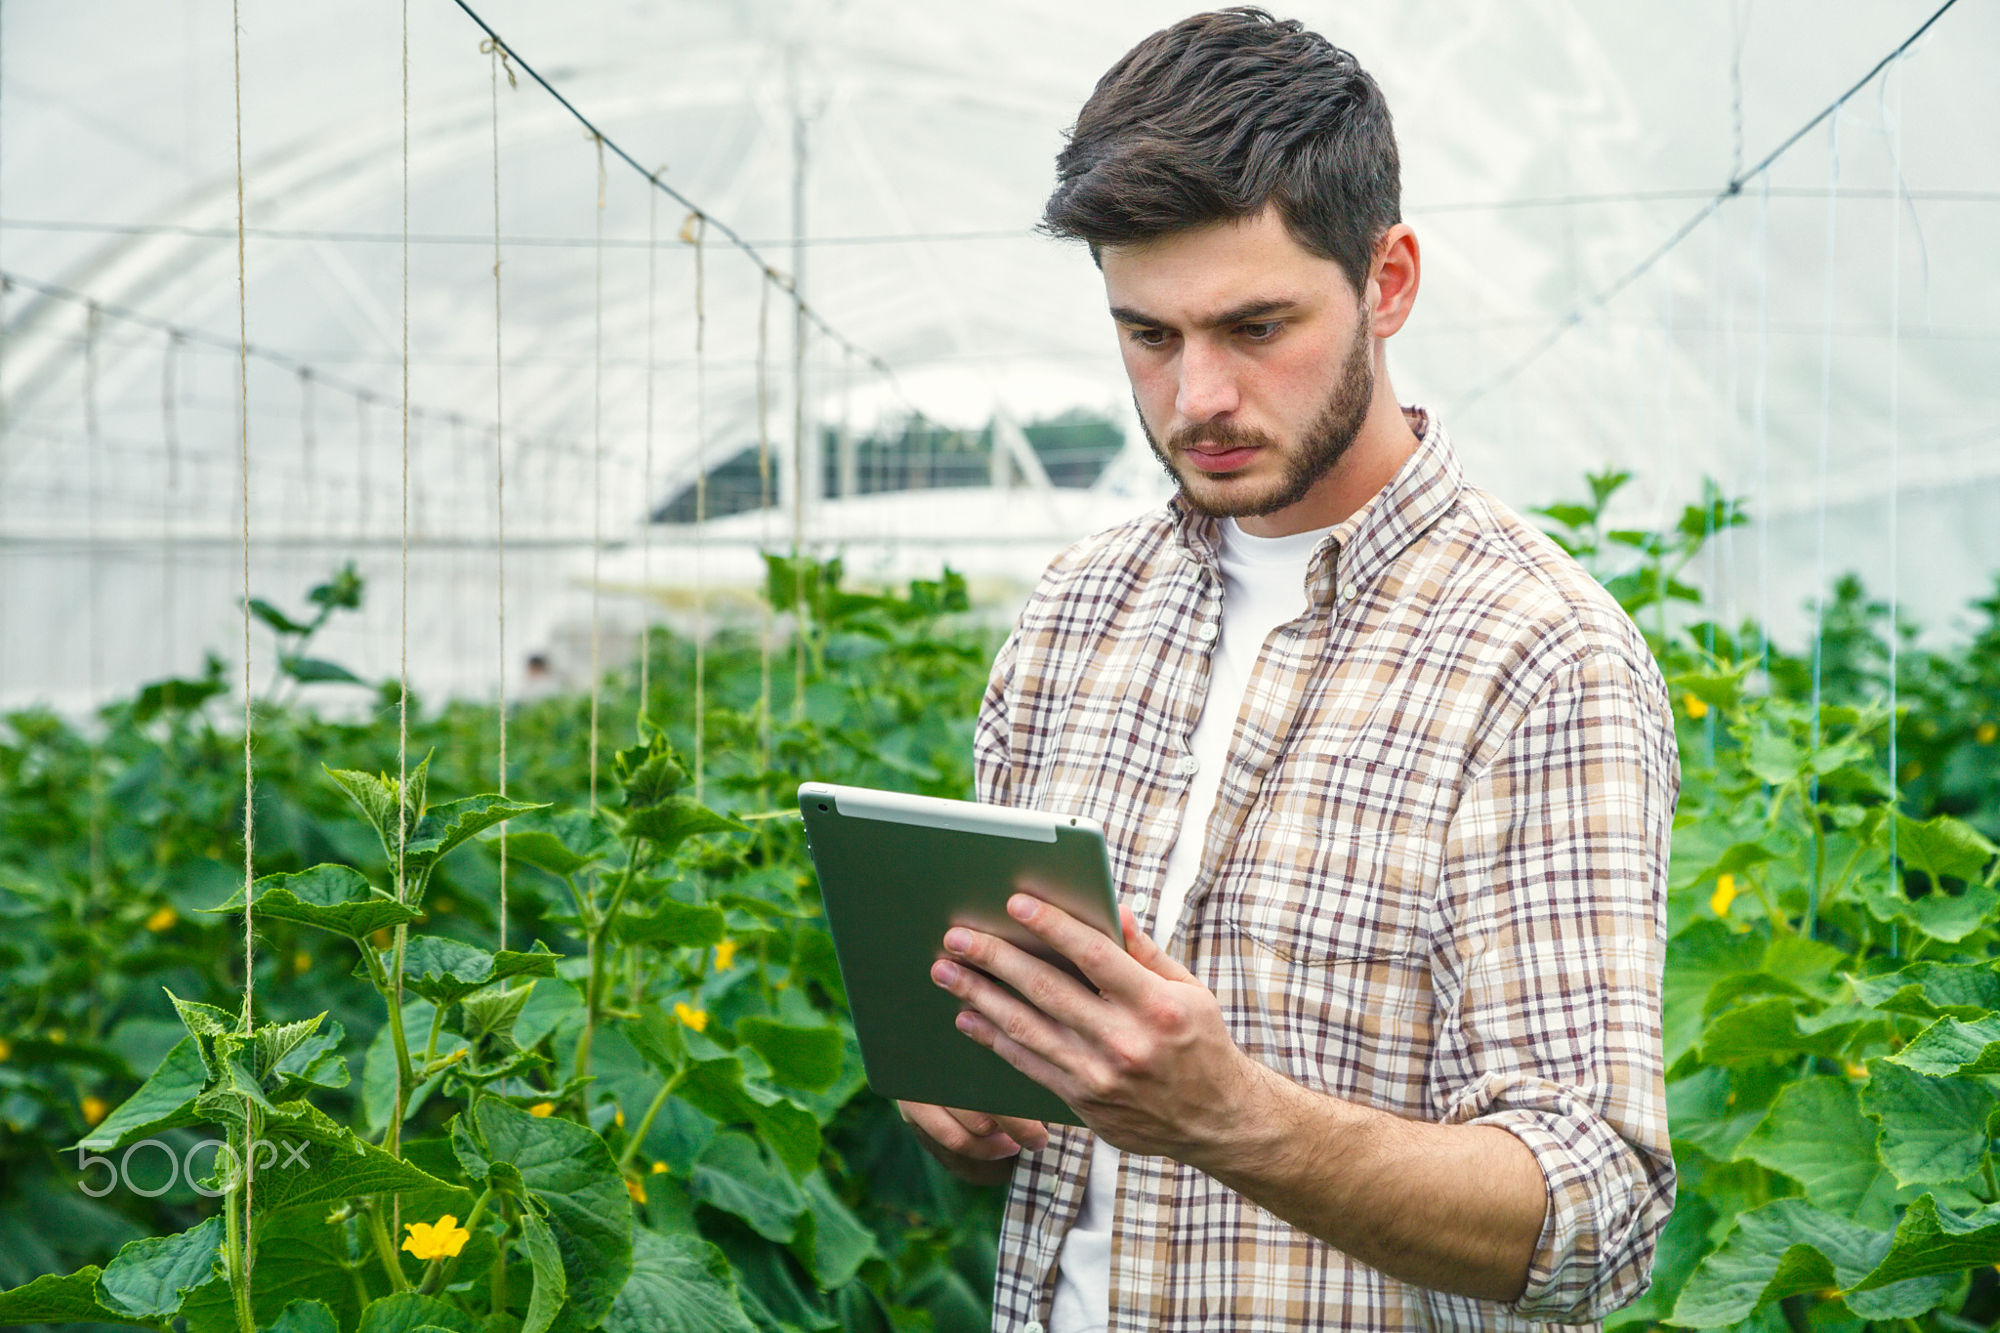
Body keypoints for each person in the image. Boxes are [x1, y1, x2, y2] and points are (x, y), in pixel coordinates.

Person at [894, 8, 1679, 1331]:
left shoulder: (1539, 653)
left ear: (1388, 280)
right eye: (1147, 334)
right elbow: (1013, 1078)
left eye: (1256, 325)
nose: (1195, 394)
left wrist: (1234, 1116)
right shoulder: (1072, 619)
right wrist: (967, 1100)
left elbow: (1596, 1209)